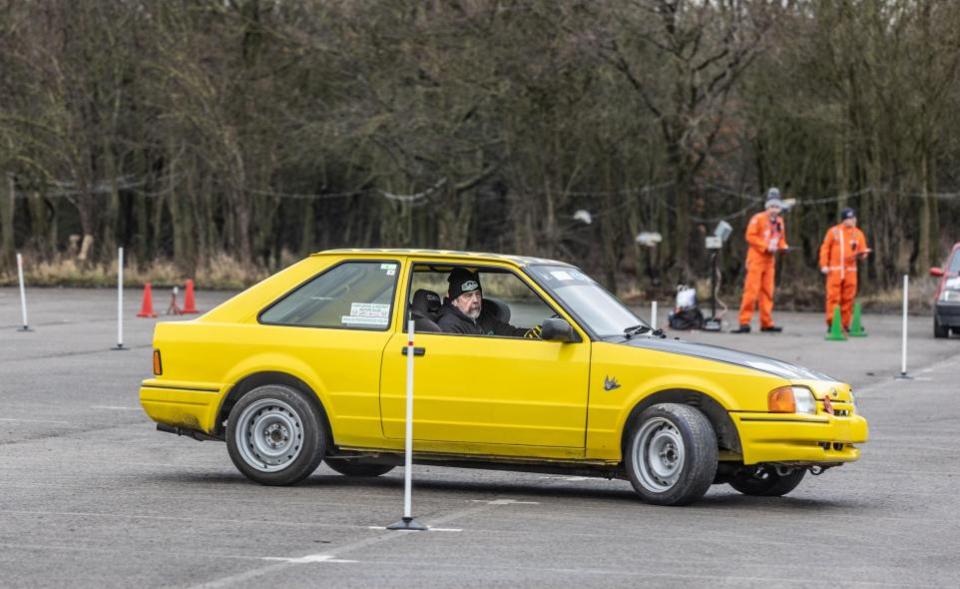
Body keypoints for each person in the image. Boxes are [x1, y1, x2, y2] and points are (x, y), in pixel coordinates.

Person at [732, 188, 790, 334]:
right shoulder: (757, 219)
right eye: (771, 207)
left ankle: (766, 322)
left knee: (768, 292)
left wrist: (783, 247)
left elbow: (781, 239)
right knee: (751, 292)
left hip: (770, 262)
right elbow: (750, 236)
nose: (774, 210)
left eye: (776, 207)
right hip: (756, 259)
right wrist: (765, 247)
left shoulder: (780, 222)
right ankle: (744, 322)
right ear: (767, 207)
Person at [437, 267, 535, 337]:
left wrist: (534, 334)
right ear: (454, 301)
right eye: (468, 296)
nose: (475, 300)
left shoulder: (484, 317)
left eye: (477, 294)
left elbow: (510, 333)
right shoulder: (449, 326)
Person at [819, 207, 870, 332]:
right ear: (843, 220)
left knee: (848, 298)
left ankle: (845, 323)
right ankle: (833, 323)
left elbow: (862, 250)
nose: (851, 221)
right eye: (848, 218)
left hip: (850, 271)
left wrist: (863, 254)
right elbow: (825, 249)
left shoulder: (858, 233)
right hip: (835, 270)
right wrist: (824, 265)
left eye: (853, 218)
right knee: (833, 297)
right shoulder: (834, 232)